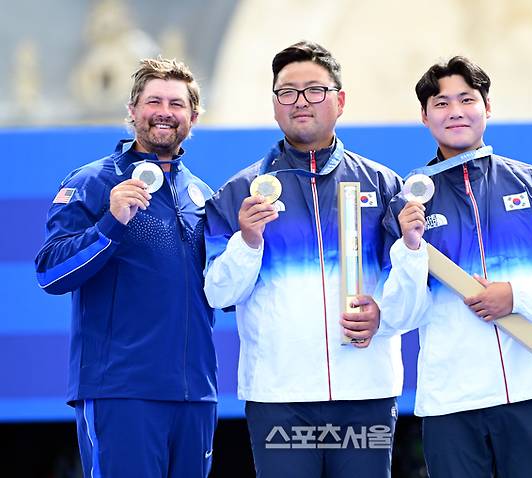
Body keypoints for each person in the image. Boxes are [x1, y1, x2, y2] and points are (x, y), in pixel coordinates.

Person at [380, 56, 532, 477]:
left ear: (487, 107)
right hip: (451, 398)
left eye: (467, 99)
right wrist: (409, 248)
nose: (456, 111)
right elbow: (399, 314)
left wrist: (514, 296)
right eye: (441, 103)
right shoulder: (406, 205)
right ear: (424, 116)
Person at [203, 41, 403, 478]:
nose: (300, 102)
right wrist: (248, 240)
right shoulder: (240, 191)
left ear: (340, 100)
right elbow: (217, 293)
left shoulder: (385, 185)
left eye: (314, 90)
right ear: (274, 105)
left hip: (365, 390)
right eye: (287, 92)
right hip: (280, 396)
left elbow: (410, 281)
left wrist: (383, 315)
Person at [35, 57, 218, 478]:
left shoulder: (202, 195)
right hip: (121, 390)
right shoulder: (92, 182)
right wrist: (110, 223)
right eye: (154, 101)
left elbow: (222, 291)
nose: (165, 112)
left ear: (193, 116)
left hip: (196, 394)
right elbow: (50, 273)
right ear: (132, 110)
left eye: (177, 103)